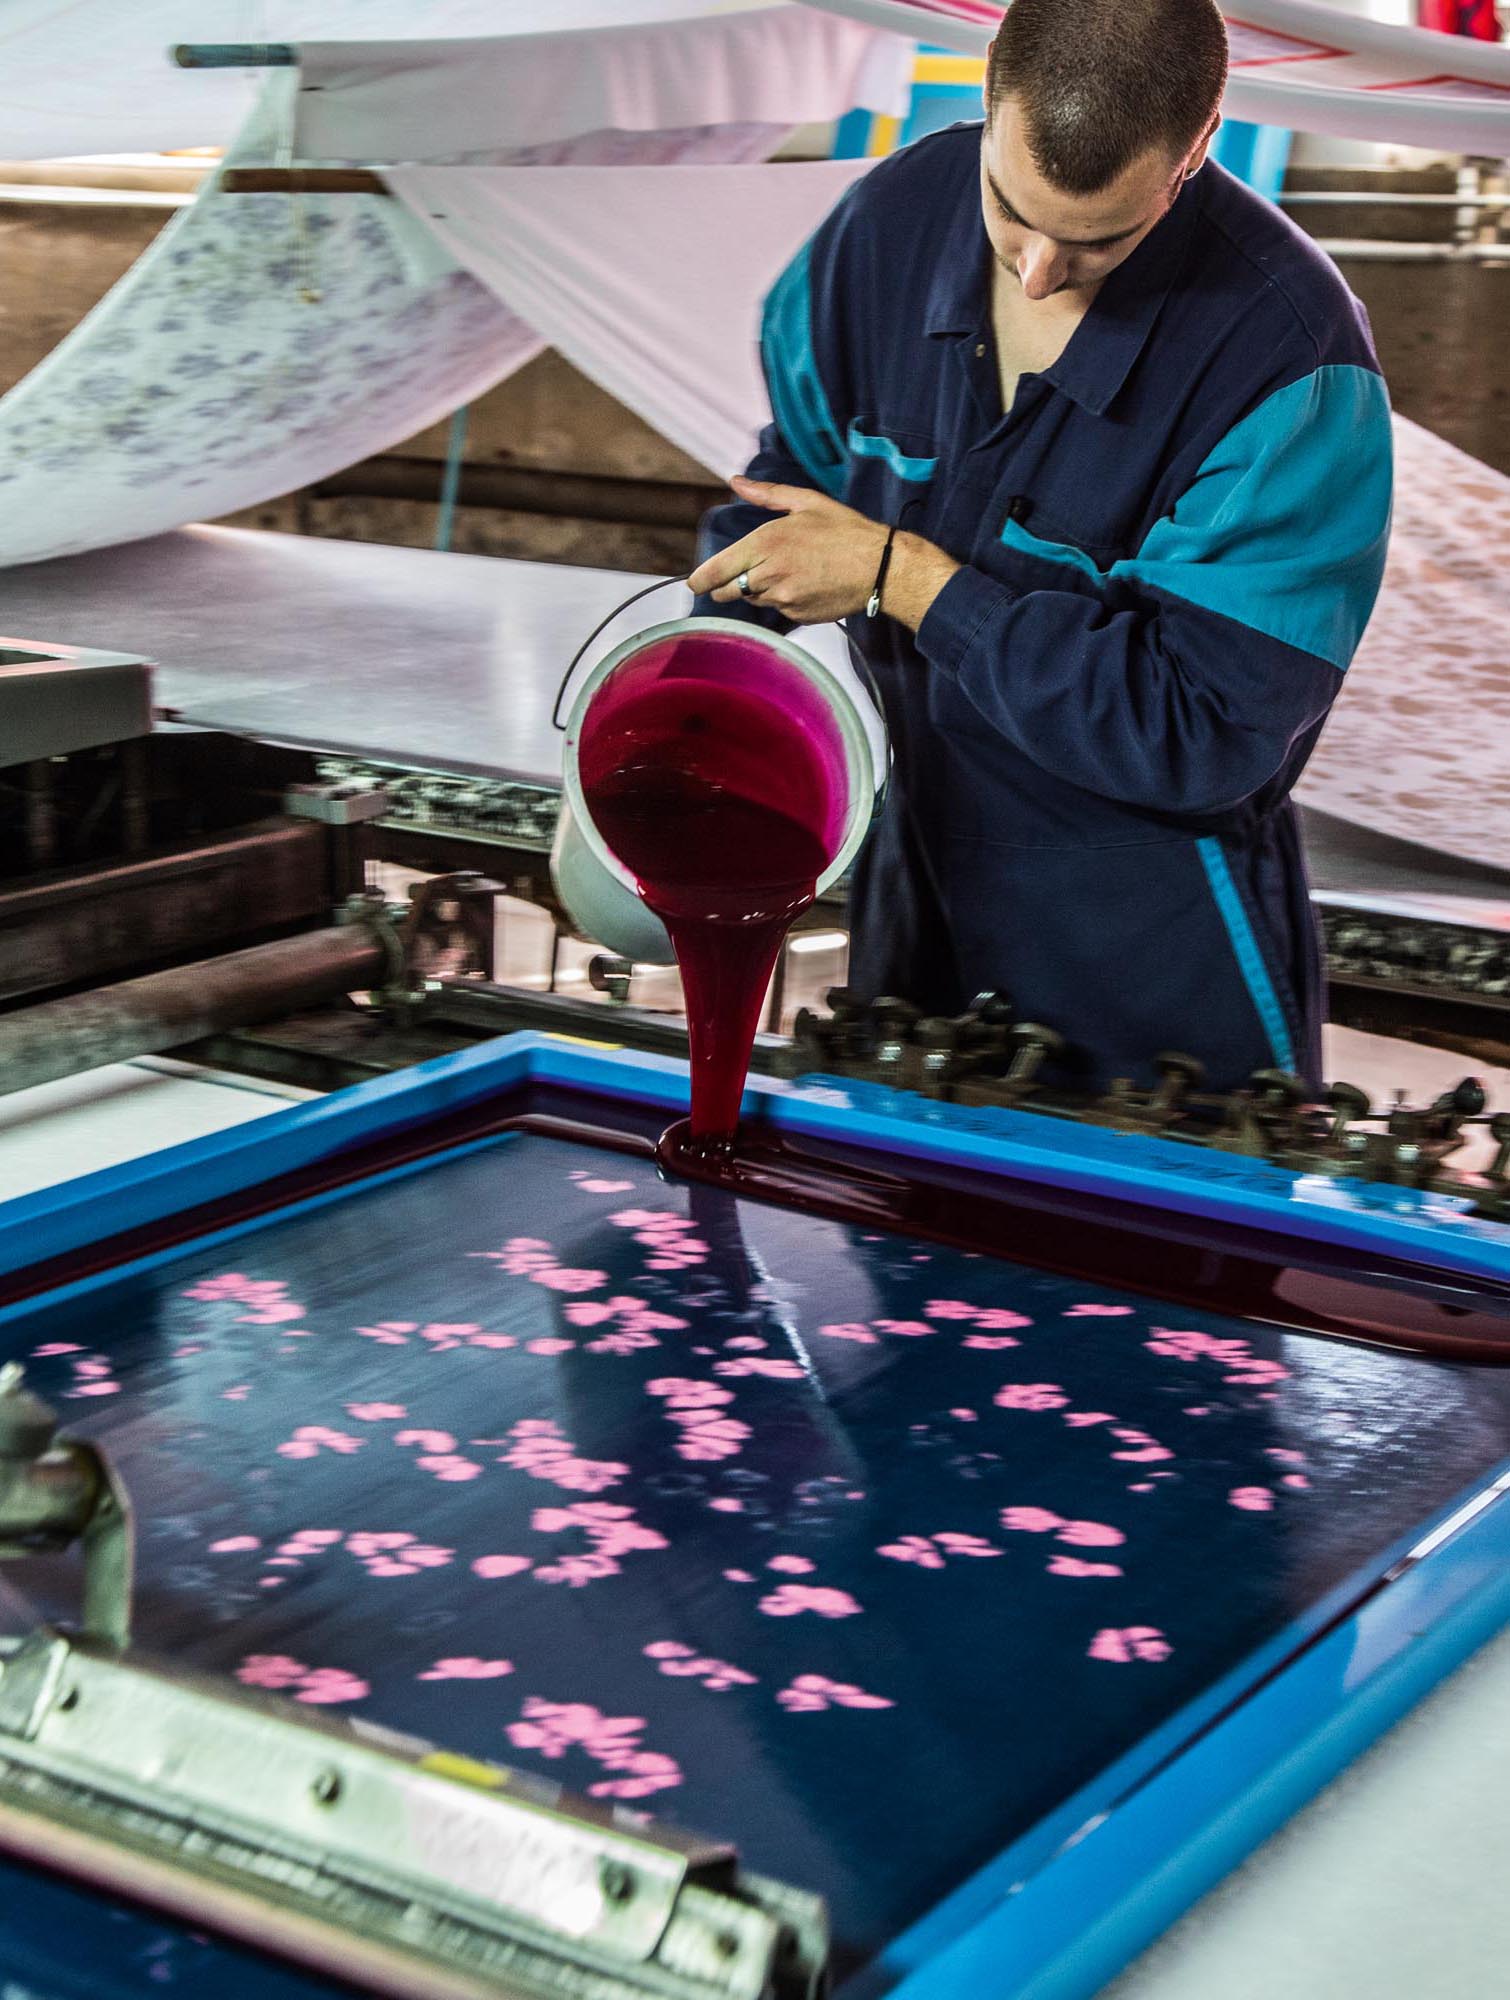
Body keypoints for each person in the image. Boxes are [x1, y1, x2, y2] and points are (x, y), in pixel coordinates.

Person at [688, 0, 1393, 1095]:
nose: (1038, 272)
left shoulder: (1287, 364)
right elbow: (793, 487)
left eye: (1101, 239)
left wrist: (910, 579)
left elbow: (1199, 732)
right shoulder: (889, 224)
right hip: (917, 899)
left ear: (1197, 148)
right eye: (1011, 213)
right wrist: (706, 696)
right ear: (985, 100)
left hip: (1148, 960)